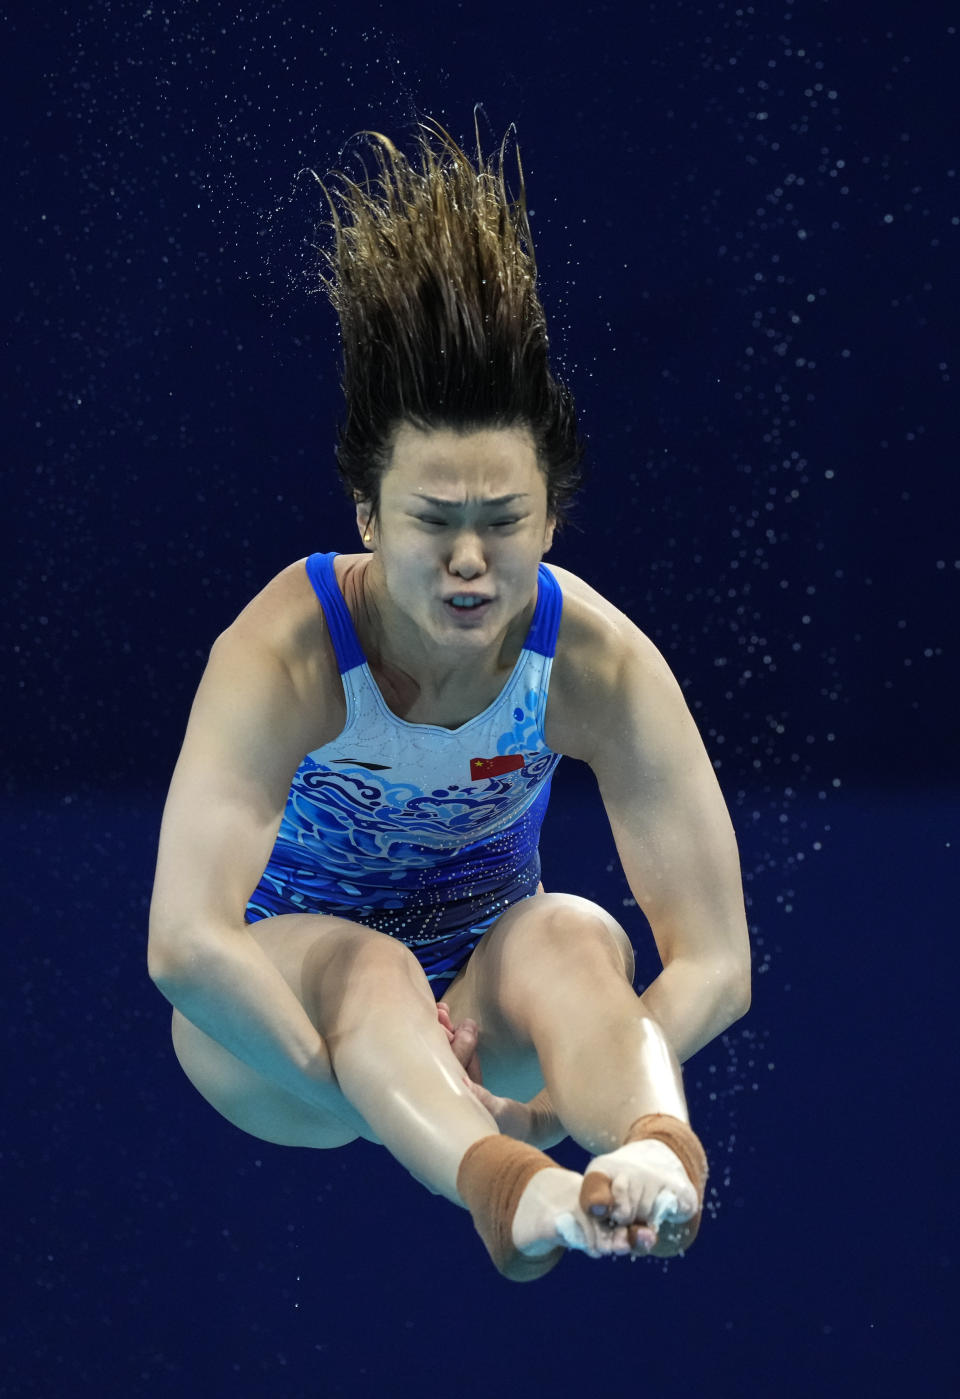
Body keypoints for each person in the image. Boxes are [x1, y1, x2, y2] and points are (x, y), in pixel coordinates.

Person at [147, 117, 751, 1282]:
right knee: (370, 968)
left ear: (552, 518)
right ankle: (503, 1196)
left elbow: (716, 958)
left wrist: (576, 1092)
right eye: (433, 522)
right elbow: (183, 946)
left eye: (502, 521)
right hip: (279, 1037)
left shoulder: (595, 662)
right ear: (368, 516)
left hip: (484, 1022)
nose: (469, 559)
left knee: (578, 930)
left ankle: (649, 1167)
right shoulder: (285, 655)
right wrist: (373, 1083)